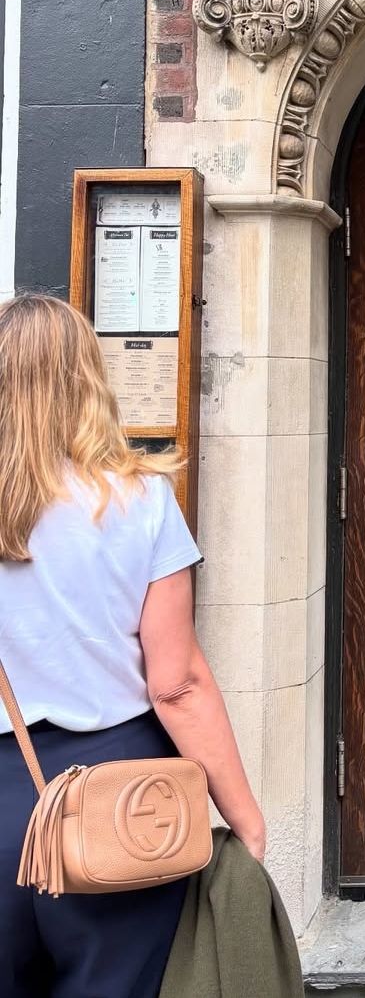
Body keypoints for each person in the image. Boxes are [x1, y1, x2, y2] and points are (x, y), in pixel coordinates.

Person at [0, 293, 265, 998]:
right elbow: (177, 685)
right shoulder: (141, 500)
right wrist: (244, 819)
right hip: (119, 793)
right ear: (88, 377)